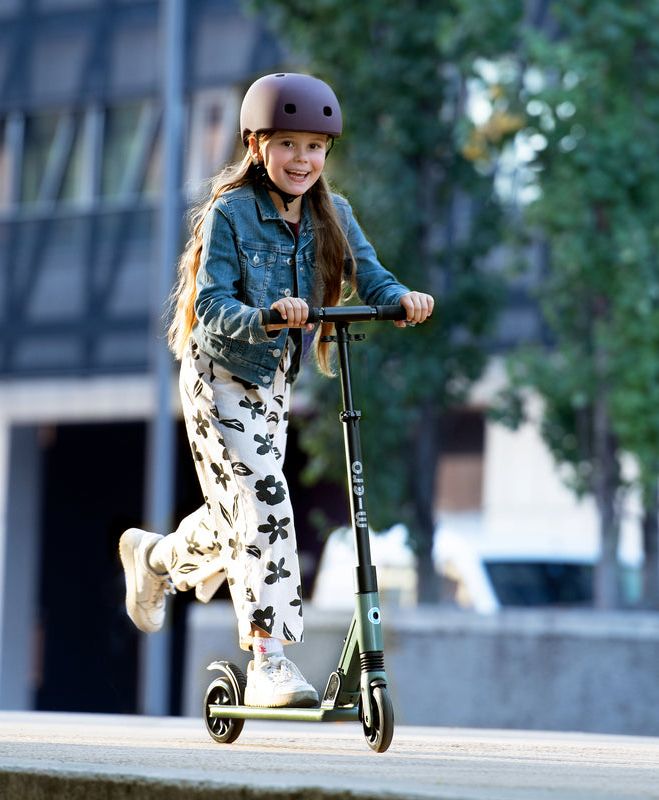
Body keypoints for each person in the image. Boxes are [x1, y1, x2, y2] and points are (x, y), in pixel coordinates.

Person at [119, 72, 434, 708]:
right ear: (256, 145)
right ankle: (268, 660)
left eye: (315, 147)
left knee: (241, 511)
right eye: (287, 143)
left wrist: (401, 299)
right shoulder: (231, 212)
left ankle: (154, 559)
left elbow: (369, 275)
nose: (302, 159)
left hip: (272, 383)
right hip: (219, 376)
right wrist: (266, 315)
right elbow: (212, 304)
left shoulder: (334, 214)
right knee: (267, 503)